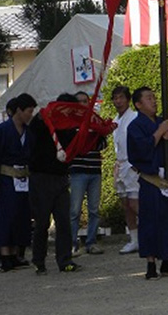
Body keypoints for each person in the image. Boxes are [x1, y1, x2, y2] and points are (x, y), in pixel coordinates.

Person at [127, 86, 168, 280]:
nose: (153, 101)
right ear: (138, 105)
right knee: (150, 221)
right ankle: (151, 263)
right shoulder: (135, 126)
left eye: (154, 97)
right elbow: (139, 151)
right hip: (152, 180)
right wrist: (158, 133)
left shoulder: (165, 122)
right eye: (148, 98)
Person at [0, 93, 36, 273]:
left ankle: (16, 253)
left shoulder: (29, 132)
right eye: (28, 111)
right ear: (19, 110)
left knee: (23, 216)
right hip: (6, 178)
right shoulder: (2, 130)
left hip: (24, 179)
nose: (30, 115)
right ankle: (4, 255)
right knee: (7, 216)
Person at [29, 94, 79, 274]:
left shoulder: (70, 128)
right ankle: (39, 260)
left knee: (63, 220)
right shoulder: (43, 120)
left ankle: (65, 259)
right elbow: (33, 131)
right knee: (42, 221)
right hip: (41, 177)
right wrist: (43, 117)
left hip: (61, 177)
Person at [69, 91, 105, 256]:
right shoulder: (69, 123)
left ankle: (91, 242)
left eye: (86, 101)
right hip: (78, 170)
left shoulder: (95, 120)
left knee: (94, 209)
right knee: (75, 210)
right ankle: (72, 243)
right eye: (80, 102)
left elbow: (102, 143)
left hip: (94, 169)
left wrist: (94, 137)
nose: (83, 104)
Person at [111, 85, 139, 254]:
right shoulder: (115, 121)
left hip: (132, 165)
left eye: (121, 97)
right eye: (115, 98)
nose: (118, 101)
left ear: (128, 100)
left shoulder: (134, 117)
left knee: (135, 203)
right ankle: (134, 239)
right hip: (121, 165)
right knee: (125, 205)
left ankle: (150, 234)